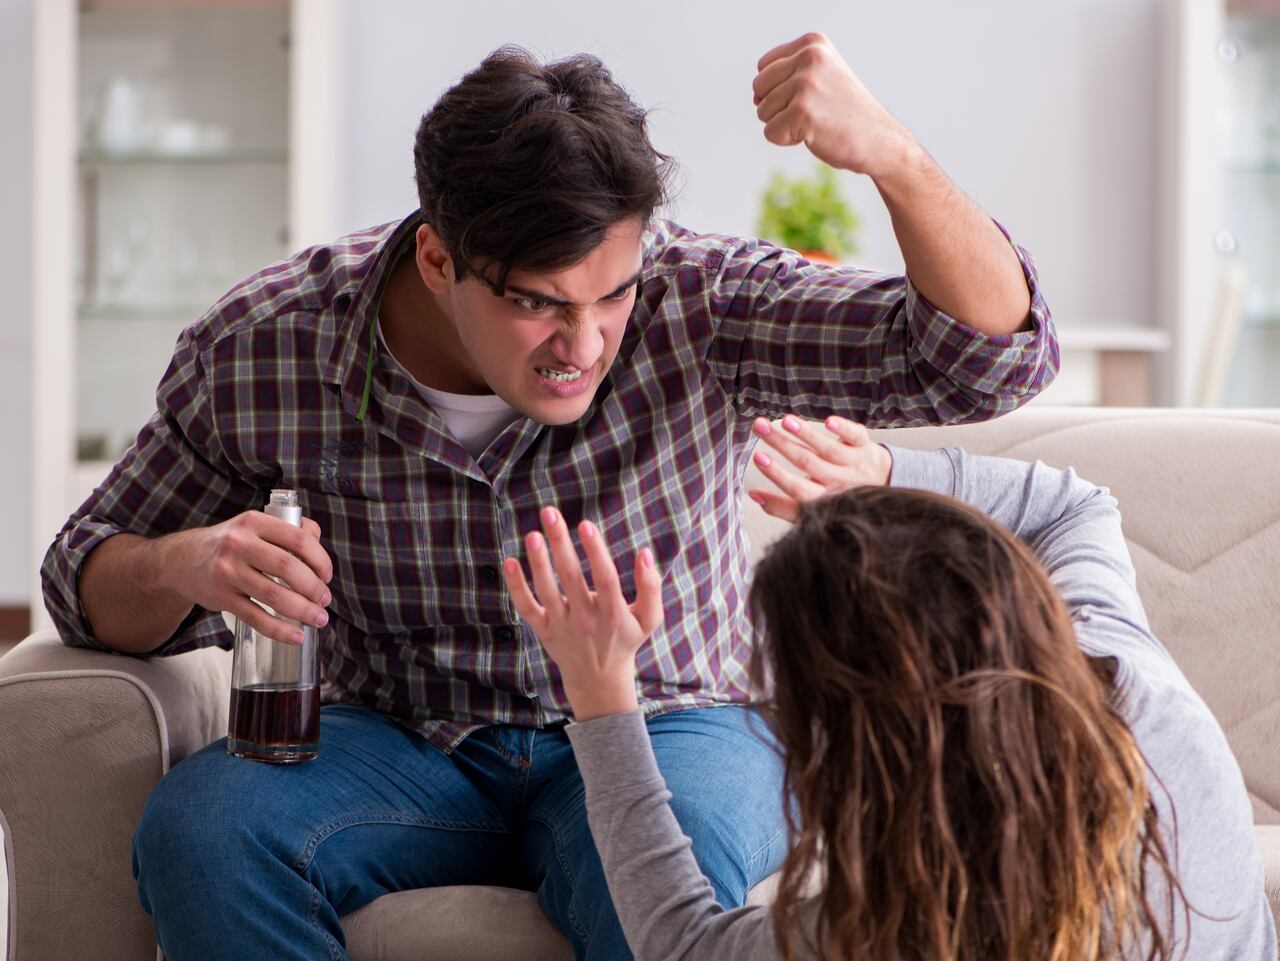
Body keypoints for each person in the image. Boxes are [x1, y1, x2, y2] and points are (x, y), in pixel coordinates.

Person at [41, 33, 1057, 961]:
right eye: (535, 304)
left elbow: (985, 363)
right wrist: (185, 561)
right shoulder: (269, 343)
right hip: (401, 741)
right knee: (203, 829)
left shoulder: (700, 300)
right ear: (437, 258)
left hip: (673, 719)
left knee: (660, 878)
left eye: (609, 296)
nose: (583, 347)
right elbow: (82, 579)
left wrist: (895, 158)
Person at [506, 416, 1277, 961]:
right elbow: (1075, 505)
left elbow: (681, 941)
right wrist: (882, 475)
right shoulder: (1133, 683)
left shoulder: (905, 927)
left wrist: (603, 693)